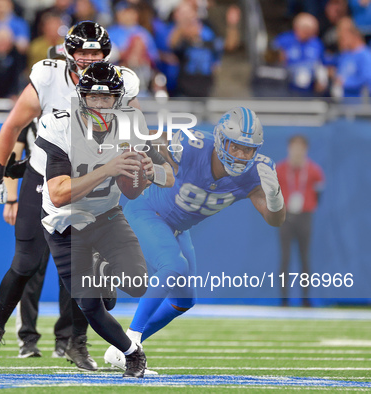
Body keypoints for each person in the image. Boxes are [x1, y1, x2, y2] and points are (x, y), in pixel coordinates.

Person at [0, 21, 141, 371]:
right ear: (68, 52)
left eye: (95, 53)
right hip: (46, 173)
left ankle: (75, 343)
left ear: (106, 55)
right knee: (26, 261)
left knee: (81, 268)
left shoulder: (120, 82)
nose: (87, 58)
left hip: (94, 180)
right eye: (82, 52)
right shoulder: (50, 77)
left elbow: (134, 124)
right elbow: (13, 125)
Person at [104, 107, 286, 371]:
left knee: (184, 300)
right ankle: (130, 346)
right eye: (235, 146)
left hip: (177, 227)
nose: (241, 155)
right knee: (174, 266)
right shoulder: (193, 145)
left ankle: (121, 347)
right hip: (147, 210)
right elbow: (153, 138)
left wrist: (275, 196)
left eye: (249, 149)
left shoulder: (255, 173)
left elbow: (275, 219)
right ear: (221, 139)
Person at [38, 61, 174, 378]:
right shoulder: (59, 125)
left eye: (107, 98)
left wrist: (152, 171)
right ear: (81, 97)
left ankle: (105, 269)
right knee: (89, 305)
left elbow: (170, 177)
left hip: (105, 215)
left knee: (138, 283)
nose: (100, 104)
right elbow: (58, 194)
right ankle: (131, 354)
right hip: (63, 223)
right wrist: (109, 169)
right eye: (93, 97)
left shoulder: (130, 126)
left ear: (117, 100)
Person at [276, 135, 325, 306]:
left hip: (305, 216)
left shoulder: (314, 170)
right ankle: (284, 299)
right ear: (289, 149)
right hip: (286, 216)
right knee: (285, 258)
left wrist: (309, 206)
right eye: (294, 147)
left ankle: (305, 298)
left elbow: (319, 193)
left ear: (305, 150)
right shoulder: (280, 169)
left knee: (304, 258)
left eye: (300, 147)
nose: (297, 151)